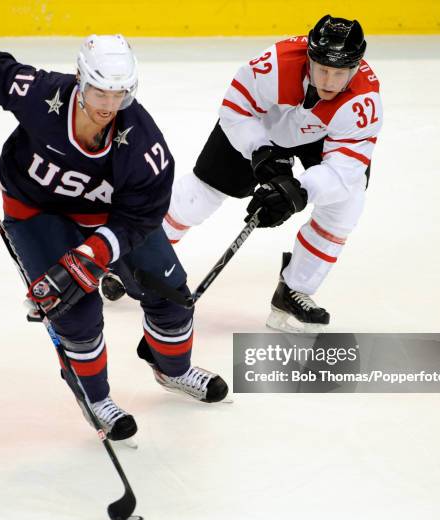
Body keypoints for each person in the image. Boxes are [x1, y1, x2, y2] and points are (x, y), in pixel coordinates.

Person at [0, 34, 228, 442]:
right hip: (37, 212)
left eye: (119, 93)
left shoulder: (145, 147)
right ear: (80, 78)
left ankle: (174, 369)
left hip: (113, 222)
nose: (109, 105)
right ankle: (97, 399)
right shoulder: (41, 95)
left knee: (171, 294)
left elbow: (140, 218)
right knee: (75, 313)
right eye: (99, 91)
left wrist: (89, 256)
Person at [160, 15, 383, 331]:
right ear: (309, 58)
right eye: (323, 70)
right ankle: (142, 254)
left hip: (319, 135)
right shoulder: (275, 65)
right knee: (201, 195)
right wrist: (262, 151)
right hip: (259, 125)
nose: (330, 82)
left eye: (339, 73)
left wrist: (298, 193)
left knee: (347, 202)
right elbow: (235, 110)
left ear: (356, 67)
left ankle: (294, 290)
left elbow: (345, 168)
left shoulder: (363, 100)